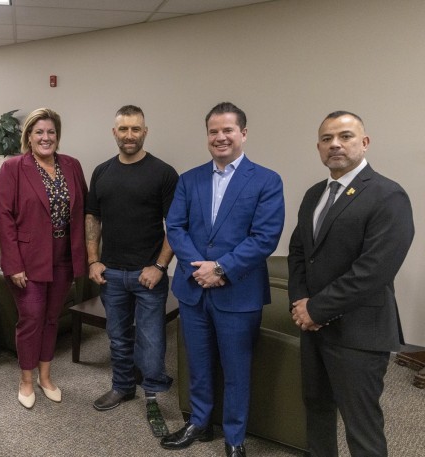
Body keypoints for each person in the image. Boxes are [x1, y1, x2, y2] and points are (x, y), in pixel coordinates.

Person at [288, 111, 414, 457]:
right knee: (316, 409)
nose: (335, 145)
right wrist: (300, 302)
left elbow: (374, 270)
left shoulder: (389, 195)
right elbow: (299, 252)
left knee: (362, 427)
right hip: (313, 329)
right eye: (327, 139)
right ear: (318, 147)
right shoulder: (315, 194)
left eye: (345, 136)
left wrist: (316, 308)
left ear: (365, 142)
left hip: (359, 333)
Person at [164, 102, 284, 457]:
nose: (220, 137)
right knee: (198, 364)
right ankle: (199, 423)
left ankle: (234, 437)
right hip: (193, 290)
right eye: (213, 131)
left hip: (239, 292)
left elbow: (265, 237)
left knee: (236, 369)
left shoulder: (266, 180)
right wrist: (197, 267)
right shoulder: (189, 180)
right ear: (207, 137)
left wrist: (220, 269)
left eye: (228, 130)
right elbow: (176, 226)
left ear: (243, 134)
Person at [86, 105, 178, 437]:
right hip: (111, 273)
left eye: (135, 129)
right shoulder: (101, 172)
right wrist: (93, 260)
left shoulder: (164, 173)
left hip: (147, 275)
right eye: (123, 129)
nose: (129, 135)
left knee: (152, 343)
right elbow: (93, 218)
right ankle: (122, 385)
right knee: (118, 337)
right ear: (114, 132)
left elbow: (176, 226)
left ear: (145, 132)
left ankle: (152, 395)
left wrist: (159, 265)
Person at [0, 108, 87, 409]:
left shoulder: (72, 166)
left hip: (63, 257)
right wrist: (13, 264)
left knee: (51, 317)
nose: (46, 138)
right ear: (29, 137)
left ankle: (45, 377)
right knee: (31, 318)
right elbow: (4, 218)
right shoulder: (13, 168)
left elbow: (82, 210)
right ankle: (25, 379)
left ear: (57, 136)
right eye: (39, 132)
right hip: (28, 259)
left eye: (51, 132)